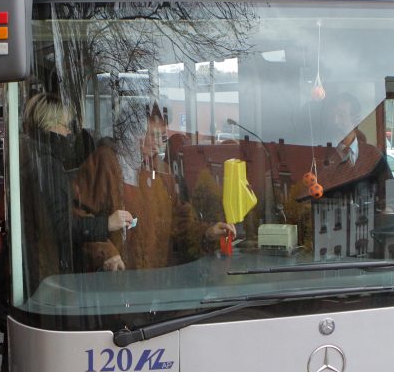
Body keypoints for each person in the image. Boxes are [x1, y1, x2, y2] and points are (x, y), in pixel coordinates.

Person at [75, 103, 235, 270]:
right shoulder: (105, 163)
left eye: (163, 137)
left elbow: (179, 222)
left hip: (157, 282)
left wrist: (208, 233)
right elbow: (77, 217)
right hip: (116, 281)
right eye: (152, 135)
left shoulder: (161, 171)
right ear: (132, 134)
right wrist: (106, 252)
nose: (158, 144)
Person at [21, 93, 133, 278]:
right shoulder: (46, 164)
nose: (69, 133)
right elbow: (61, 226)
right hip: (45, 268)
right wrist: (106, 223)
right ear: (50, 125)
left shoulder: (32, 155)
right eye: (65, 126)